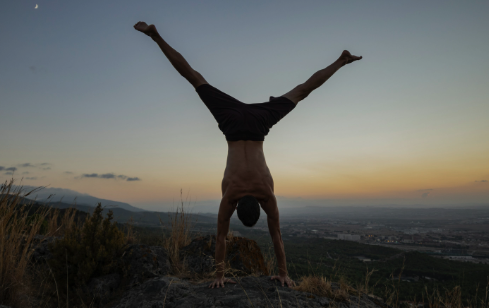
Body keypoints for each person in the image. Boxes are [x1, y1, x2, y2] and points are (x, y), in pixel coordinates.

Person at [133, 21, 362, 289]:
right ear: (236, 208)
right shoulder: (229, 196)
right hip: (231, 123)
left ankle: (340, 60)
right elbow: (224, 238)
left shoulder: (266, 193)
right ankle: (156, 37)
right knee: (195, 79)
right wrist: (220, 276)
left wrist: (282, 272)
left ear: (256, 207)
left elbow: (276, 236)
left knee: (301, 91)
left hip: (257, 124)